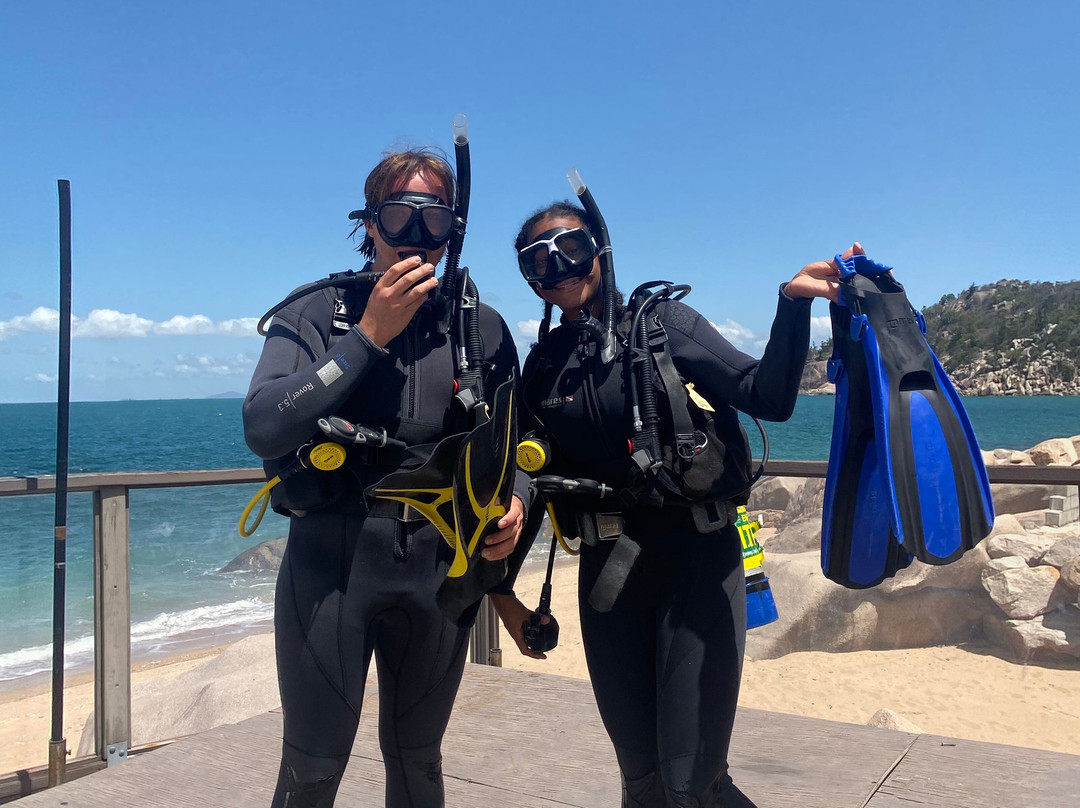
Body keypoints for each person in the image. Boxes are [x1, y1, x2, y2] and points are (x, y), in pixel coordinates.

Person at [492, 198, 853, 808]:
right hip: (608, 578)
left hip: (696, 562)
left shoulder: (664, 328)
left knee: (692, 782)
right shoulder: (544, 367)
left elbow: (766, 396)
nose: (560, 267)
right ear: (531, 279)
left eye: (571, 247)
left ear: (599, 248)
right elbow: (531, 470)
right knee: (643, 779)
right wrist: (503, 587)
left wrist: (792, 306)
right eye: (540, 260)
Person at [243, 147, 528, 808]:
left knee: (418, 762)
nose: (415, 239)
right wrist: (368, 335)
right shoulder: (322, 313)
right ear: (369, 224)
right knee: (313, 769)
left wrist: (517, 496)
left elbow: (520, 439)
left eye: (433, 222)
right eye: (399, 217)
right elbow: (263, 423)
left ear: (452, 230)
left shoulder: (479, 328)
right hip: (331, 569)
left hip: (437, 575)